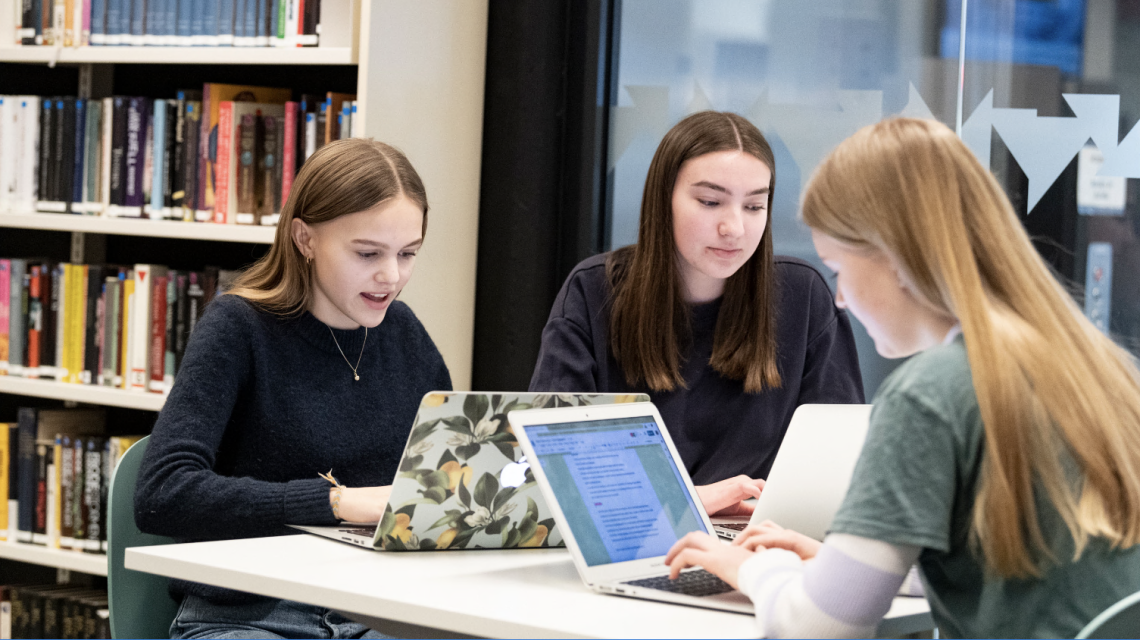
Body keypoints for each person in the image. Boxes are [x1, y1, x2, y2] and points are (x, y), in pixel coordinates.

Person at [664, 117, 1140, 638]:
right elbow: (1023, 574)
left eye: (839, 267)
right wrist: (845, 569)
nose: (840, 297)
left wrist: (749, 568)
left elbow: (817, 629)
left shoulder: (933, 394)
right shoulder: (1097, 366)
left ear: (891, 256)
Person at [135, 138, 452, 639]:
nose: (390, 276)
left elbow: (439, 483)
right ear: (305, 238)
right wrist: (334, 503)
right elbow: (163, 493)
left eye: (408, 254)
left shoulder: (404, 334)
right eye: (367, 253)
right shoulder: (240, 327)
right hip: (250, 618)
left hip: (377, 613)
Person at [529, 110, 864, 516]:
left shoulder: (802, 295)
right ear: (663, 200)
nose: (734, 228)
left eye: (755, 206)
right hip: (636, 533)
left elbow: (841, 470)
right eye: (710, 202)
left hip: (759, 541)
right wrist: (685, 501)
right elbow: (551, 469)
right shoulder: (594, 291)